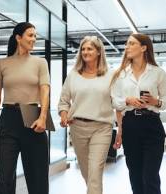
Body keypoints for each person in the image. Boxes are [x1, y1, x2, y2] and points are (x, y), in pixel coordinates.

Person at [0, 22, 50, 194]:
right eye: (30, 35)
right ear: (18, 38)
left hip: (32, 118)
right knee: (5, 176)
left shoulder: (40, 63)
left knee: (37, 176)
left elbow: (45, 90)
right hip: (8, 118)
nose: (34, 39)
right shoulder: (2, 64)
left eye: (35, 36)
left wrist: (43, 116)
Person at [111, 33, 166, 194]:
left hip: (152, 125)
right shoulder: (120, 74)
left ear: (143, 48)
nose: (126, 47)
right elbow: (114, 102)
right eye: (127, 44)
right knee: (135, 175)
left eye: (131, 44)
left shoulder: (158, 72)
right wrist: (127, 100)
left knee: (150, 176)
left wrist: (154, 101)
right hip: (130, 124)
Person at [58, 36, 114, 194]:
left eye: (89, 48)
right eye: (83, 49)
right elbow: (63, 101)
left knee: (95, 173)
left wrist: (121, 129)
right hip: (77, 128)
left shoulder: (110, 75)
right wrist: (63, 115)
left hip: (102, 128)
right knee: (86, 172)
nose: (85, 52)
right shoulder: (74, 75)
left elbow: (118, 102)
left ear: (98, 52)